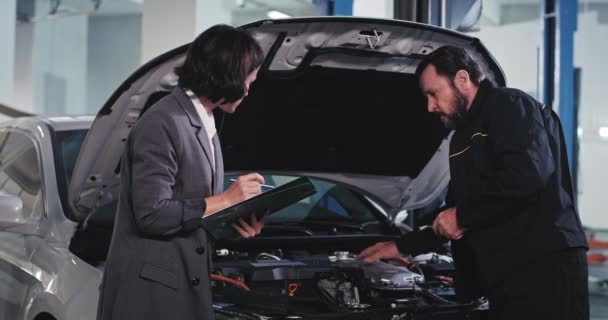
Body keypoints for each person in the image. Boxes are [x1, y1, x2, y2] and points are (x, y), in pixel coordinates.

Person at [357, 45, 589, 320]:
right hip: (506, 274)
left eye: (433, 93)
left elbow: (527, 176)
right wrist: (402, 246)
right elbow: (453, 214)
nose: (429, 106)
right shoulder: (462, 137)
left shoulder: (509, 106)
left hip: (544, 268)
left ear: (462, 80)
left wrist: (462, 217)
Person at [97, 25, 267, 320]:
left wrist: (234, 224)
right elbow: (152, 215)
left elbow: (192, 211)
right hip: (151, 296)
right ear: (226, 75)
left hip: (184, 288)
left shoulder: (205, 123)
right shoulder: (163, 122)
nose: (249, 90)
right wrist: (226, 200)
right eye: (247, 81)